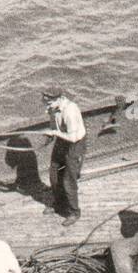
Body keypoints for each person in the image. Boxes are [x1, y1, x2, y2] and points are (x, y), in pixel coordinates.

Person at [41, 86, 86, 227]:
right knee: (54, 175)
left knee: (68, 180)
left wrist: (55, 134)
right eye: (45, 102)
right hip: (62, 140)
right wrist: (51, 133)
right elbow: (53, 120)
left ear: (59, 99)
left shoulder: (70, 111)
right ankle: (59, 204)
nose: (47, 105)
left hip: (75, 144)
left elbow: (73, 138)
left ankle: (74, 212)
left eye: (49, 103)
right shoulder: (52, 106)